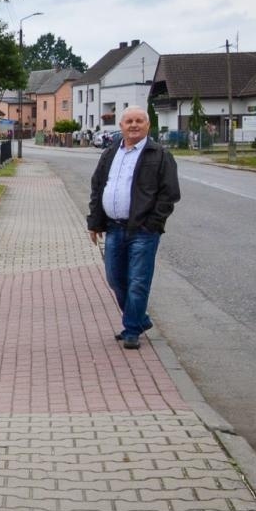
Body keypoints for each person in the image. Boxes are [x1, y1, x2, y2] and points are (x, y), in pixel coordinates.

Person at [87, 106, 180, 349]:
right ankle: (140, 319)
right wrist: (94, 223)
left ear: (148, 126)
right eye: (129, 121)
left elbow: (169, 194)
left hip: (143, 229)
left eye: (139, 121)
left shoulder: (159, 155)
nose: (134, 125)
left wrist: (153, 224)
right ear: (121, 126)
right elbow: (97, 188)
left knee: (138, 280)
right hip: (114, 227)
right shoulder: (109, 154)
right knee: (115, 279)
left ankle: (131, 330)